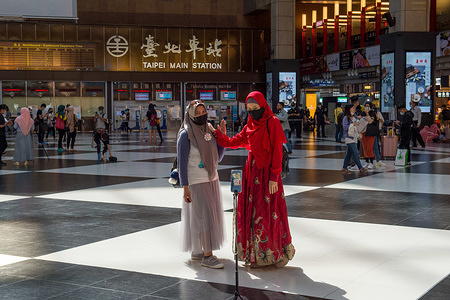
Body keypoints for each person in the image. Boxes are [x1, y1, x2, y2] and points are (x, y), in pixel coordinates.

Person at [211, 91, 295, 268]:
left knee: (269, 213)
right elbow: (234, 142)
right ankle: (255, 255)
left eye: (255, 108)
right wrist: (218, 135)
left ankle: (274, 254)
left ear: (263, 106)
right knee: (253, 213)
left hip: (268, 174)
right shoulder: (250, 123)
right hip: (252, 172)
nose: (252, 112)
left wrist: (274, 177)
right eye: (249, 109)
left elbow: (277, 152)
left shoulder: (272, 122)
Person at [177, 100, 226, 269]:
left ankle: (198, 251)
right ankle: (208, 256)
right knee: (205, 218)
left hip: (212, 179)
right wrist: (185, 187)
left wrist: (221, 138)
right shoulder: (186, 134)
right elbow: (181, 163)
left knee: (203, 217)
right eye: (196, 113)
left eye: (202, 112)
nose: (200, 116)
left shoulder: (209, 130)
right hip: (196, 181)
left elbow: (217, 158)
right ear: (190, 115)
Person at [341, 104, 368, 174]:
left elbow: (357, 123)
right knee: (356, 153)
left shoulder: (354, 117)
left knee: (349, 154)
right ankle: (360, 168)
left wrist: (359, 119)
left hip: (354, 137)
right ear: (349, 109)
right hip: (349, 138)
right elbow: (345, 128)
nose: (354, 109)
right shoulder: (346, 118)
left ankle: (344, 168)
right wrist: (353, 124)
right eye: (352, 108)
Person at [361, 102, 377, 170]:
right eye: (365, 106)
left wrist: (367, 114)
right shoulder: (362, 113)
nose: (366, 108)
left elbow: (371, 121)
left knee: (369, 147)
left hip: (370, 132)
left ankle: (371, 162)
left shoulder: (373, 113)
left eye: (368, 106)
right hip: (363, 132)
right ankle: (366, 161)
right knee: (365, 147)